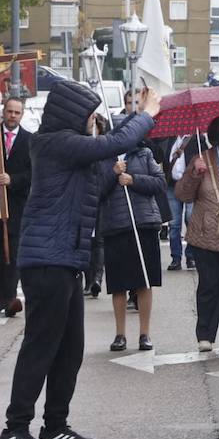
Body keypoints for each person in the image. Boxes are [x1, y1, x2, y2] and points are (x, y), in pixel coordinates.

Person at [1, 80, 159, 439]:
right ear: (73, 115)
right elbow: (112, 143)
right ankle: (14, 428)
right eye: (90, 116)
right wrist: (144, 114)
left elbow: (98, 183)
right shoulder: (54, 142)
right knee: (41, 344)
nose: (93, 122)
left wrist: (115, 172)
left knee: (70, 349)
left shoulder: (74, 152)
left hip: (69, 258)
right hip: (47, 259)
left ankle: (55, 424)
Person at [176, 115, 219, 352]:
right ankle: (205, 334)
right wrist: (195, 174)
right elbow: (183, 195)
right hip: (205, 234)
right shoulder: (201, 159)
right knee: (209, 285)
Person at [95, 117, 165, 352]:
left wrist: (133, 180)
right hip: (116, 225)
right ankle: (120, 334)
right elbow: (95, 192)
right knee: (118, 284)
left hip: (143, 223)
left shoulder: (144, 154)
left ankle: (145, 333)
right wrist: (111, 175)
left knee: (145, 281)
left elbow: (159, 183)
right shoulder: (104, 157)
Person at [1, 96, 33, 317]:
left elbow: (33, 175)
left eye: (16, 112)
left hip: (15, 208)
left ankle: (9, 298)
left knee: (10, 254)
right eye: (9, 111)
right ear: (4, 111)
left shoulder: (29, 141)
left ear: (22, 114)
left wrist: (12, 180)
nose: (12, 116)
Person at [163, 134, 196, 271]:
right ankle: (176, 257)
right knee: (174, 223)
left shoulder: (195, 139)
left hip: (189, 185)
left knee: (191, 219)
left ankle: (190, 255)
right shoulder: (170, 140)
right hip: (172, 185)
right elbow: (163, 159)